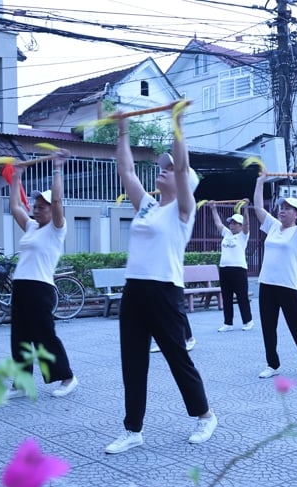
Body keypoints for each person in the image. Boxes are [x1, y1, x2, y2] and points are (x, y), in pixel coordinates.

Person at [105, 102, 217, 454]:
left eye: (169, 170)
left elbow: (183, 167)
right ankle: (132, 429)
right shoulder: (148, 206)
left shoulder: (184, 210)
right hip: (135, 289)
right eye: (163, 167)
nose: (165, 170)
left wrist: (177, 124)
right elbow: (125, 170)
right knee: (132, 361)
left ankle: (205, 415)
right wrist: (123, 129)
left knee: (177, 358)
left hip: (165, 290)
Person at [6, 151, 78, 399]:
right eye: (35, 206)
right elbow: (15, 206)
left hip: (40, 287)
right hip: (22, 285)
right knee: (20, 336)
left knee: (44, 335)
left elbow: (58, 202)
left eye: (41, 207)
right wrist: (16, 176)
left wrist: (57, 167)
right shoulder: (31, 226)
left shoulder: (57, 229)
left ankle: (67, 377)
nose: (36, 210)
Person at [253, 169, 297, 379]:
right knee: (268, 326)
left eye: (288, 208)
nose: (282, 210)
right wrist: (260, 182)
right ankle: (272, 364)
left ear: (296, 213)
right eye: (281, 207)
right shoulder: (273, 226)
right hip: (267, 283)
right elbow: (257, 207)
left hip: (288, 285)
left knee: (296, 325)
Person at [209, 199, 254, 332]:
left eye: (235, 223)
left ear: (240, 225)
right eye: (231, 223)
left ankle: (248, 321)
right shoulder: (227, 234)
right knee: (226, 297)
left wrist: (246, 209)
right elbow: (218, 223)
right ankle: (228, 323)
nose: (232, 225)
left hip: (238, 270)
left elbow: (247, 224)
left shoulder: (243, 235)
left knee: (242, 297)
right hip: (224, 269)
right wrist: (213, 209)